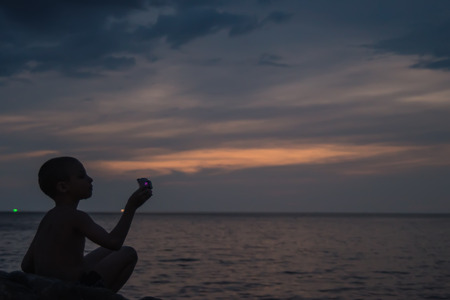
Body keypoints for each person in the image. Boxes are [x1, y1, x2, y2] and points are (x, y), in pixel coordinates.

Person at [21, 156, 152, 292]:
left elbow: (26, 265)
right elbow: (114, 242)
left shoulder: (49, 217)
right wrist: (131, 207)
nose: (90, 179)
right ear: (63, 187)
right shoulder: (76, 217)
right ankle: (102, 297)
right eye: (81, 176)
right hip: (71, 290)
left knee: (109, 252)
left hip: (49, 287)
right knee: (128, 253)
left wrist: (64, 267)